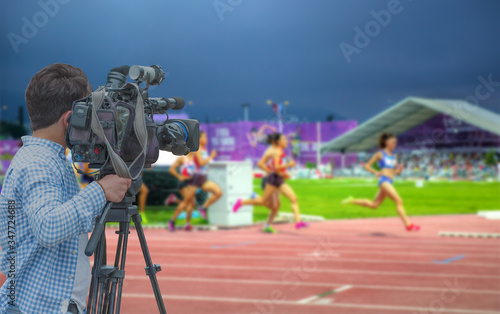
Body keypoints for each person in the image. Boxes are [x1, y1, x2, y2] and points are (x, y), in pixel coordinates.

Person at [0, 64, 131, 314]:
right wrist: (100, 190)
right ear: (70, 119)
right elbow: (49, 226)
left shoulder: (47, 159)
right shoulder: (38, 163)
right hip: (38, 308)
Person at [341, 133, 420, 231]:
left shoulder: (394, 156)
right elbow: (367, 166)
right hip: (384, 181)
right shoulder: (380, 154)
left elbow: (395, 172)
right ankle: (408, 225)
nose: (395, 144)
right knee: (399, 200)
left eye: (396, 143)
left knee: (374, 205)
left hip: (390, 181)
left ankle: (351, 200)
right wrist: (376, 172)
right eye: (393, 142)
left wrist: (400, 170)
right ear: (387, 143)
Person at [233, 133, 309, 233]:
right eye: (284, 139)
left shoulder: (279, 150)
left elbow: (276, 167)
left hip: (278, 179)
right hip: (272, 179)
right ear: (277, 141)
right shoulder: (273, 151)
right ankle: (242, 202)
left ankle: (297, 222)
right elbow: (270, 166)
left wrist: (284, 173)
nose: (286, 141)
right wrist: (285, 166)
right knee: (265, 202)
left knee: (291, 199)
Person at [167, 131, 222, 231]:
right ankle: (172, 220)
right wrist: (180, 177)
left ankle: (200, 209)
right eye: (204, 137)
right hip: (191, 181)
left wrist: (207, 167)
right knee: (187, 203)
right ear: (199, 139)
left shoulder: (199, 153)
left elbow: (200, 165)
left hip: (200, 179)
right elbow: (201, 163)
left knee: (217, 192)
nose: (207, 139)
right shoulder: (191, 154)